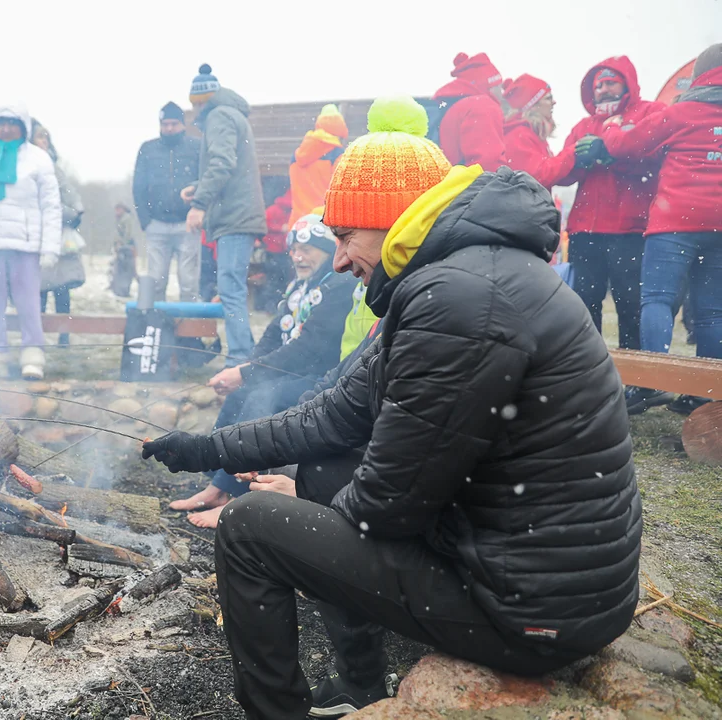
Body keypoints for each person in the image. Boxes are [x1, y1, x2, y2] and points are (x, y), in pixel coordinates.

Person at [143, 97, 640, 719]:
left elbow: (388, 505)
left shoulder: (459, 300)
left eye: (346, 235)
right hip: (542, 575)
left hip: (533, 613)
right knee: (321, 472)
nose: (341, 258)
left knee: (250, 530)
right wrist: (207, 450)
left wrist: (296, 502)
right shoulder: (457, 276)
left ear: (395, 219)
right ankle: (360, 684)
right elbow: (333, 415)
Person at [169, 213, 356, 528]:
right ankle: (217, 483)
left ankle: (235, 493)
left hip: (319, 379)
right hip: (290, 373)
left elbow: (308, 349)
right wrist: (246, 369)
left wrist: (247, 375)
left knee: (261, 399)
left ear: (328, 249)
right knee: (245, 392)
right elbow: (272, 334)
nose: (298, 256)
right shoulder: (302, 285)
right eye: (294, 249)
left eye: (307, 249)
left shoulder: (338, 285)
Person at [595, 44, 722, 416]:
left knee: (658, 300)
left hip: (676, 222)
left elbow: (626, 147)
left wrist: (614, 126)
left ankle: (652, 383)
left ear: (699, 75)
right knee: (713, 311)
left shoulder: (680, 113)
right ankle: (705, 393)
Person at [560, 57, 664, 356]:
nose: (604, 90)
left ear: (628, 83)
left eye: (611, 82)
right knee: (584, 305)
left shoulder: (651, 113)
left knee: (630, 304)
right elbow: (565, 175)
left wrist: (613, 156)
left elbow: (657, 159)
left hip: (629, 229)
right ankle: (587, 369)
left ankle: (638, 377)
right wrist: (577, 160)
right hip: (584, 230)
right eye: (599, 85)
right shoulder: (583, 125)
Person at [0, 103, 61, 381]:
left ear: (23, 127)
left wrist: (50, 247)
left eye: (12, 123)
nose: (6, 128)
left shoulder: (38, 159)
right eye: (0, 123)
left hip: (25, 245)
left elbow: (51, 206)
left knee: (28, 302)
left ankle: (33, 355)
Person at [185, 65, 268, 366]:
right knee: (233, 287)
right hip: (239, 214)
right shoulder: (232, 114)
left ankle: (239, 358)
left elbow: (221, 163)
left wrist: (199, 204)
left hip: (235, 217)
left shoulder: (219, 116)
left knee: (230, 288)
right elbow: (230, 168)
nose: (193, 110)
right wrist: (197, 188)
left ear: (200, 100)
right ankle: (246, 352)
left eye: (194, 104)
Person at [132, 101, 202, 303]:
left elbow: (205, 181)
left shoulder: (196, 147)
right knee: (155, 282)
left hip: (187, 224)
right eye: (165, 124)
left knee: (189, 282)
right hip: (157, 224)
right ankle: (155, 329)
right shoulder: (148, 149)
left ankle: (189, 331)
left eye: (174, 123)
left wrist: (199, 210)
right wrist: (145, 220)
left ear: (182, 124)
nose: (169, 128)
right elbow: (138, 187)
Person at [32, 118, 85, 347]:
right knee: (39, 290)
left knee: (62, 290)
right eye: (39, 137)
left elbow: (70, 197)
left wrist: (74, 213)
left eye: (46, 137)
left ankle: (64, 335)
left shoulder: (55, 168)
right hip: (38, 236)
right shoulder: (29, 167)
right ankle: (38, 335)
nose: (43, 141)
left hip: (60, 238)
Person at [431, 51, 507, 170]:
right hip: (475, 186)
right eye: (498, 86)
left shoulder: (456, 106)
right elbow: (487, 164)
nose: (502, 94)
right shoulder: (483, 106)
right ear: (489, 86)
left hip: (455, 182)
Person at [501, 75, 575, 190]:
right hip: (526, 207)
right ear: (533, 105)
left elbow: (553, 176)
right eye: (548, 98)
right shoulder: (519, 135)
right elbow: (538, 176)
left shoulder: (532, 134)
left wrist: (580, 163)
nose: (554, 102)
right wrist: (574, 153)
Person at [288, 104, 348, 228]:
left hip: (298, 224)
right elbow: (342, 197)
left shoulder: (297, 155)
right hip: (323, 225)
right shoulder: (337, 155)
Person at [110, 203, 138, 298]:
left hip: (127, 248)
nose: (117, 211)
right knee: (120, 270)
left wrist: (122, 244)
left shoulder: (127, 219)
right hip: (121, 248)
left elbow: (128, 234)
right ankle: (119, 290)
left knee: (126, 270)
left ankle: (124, 290)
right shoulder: (119, 219)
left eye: (119, 209)